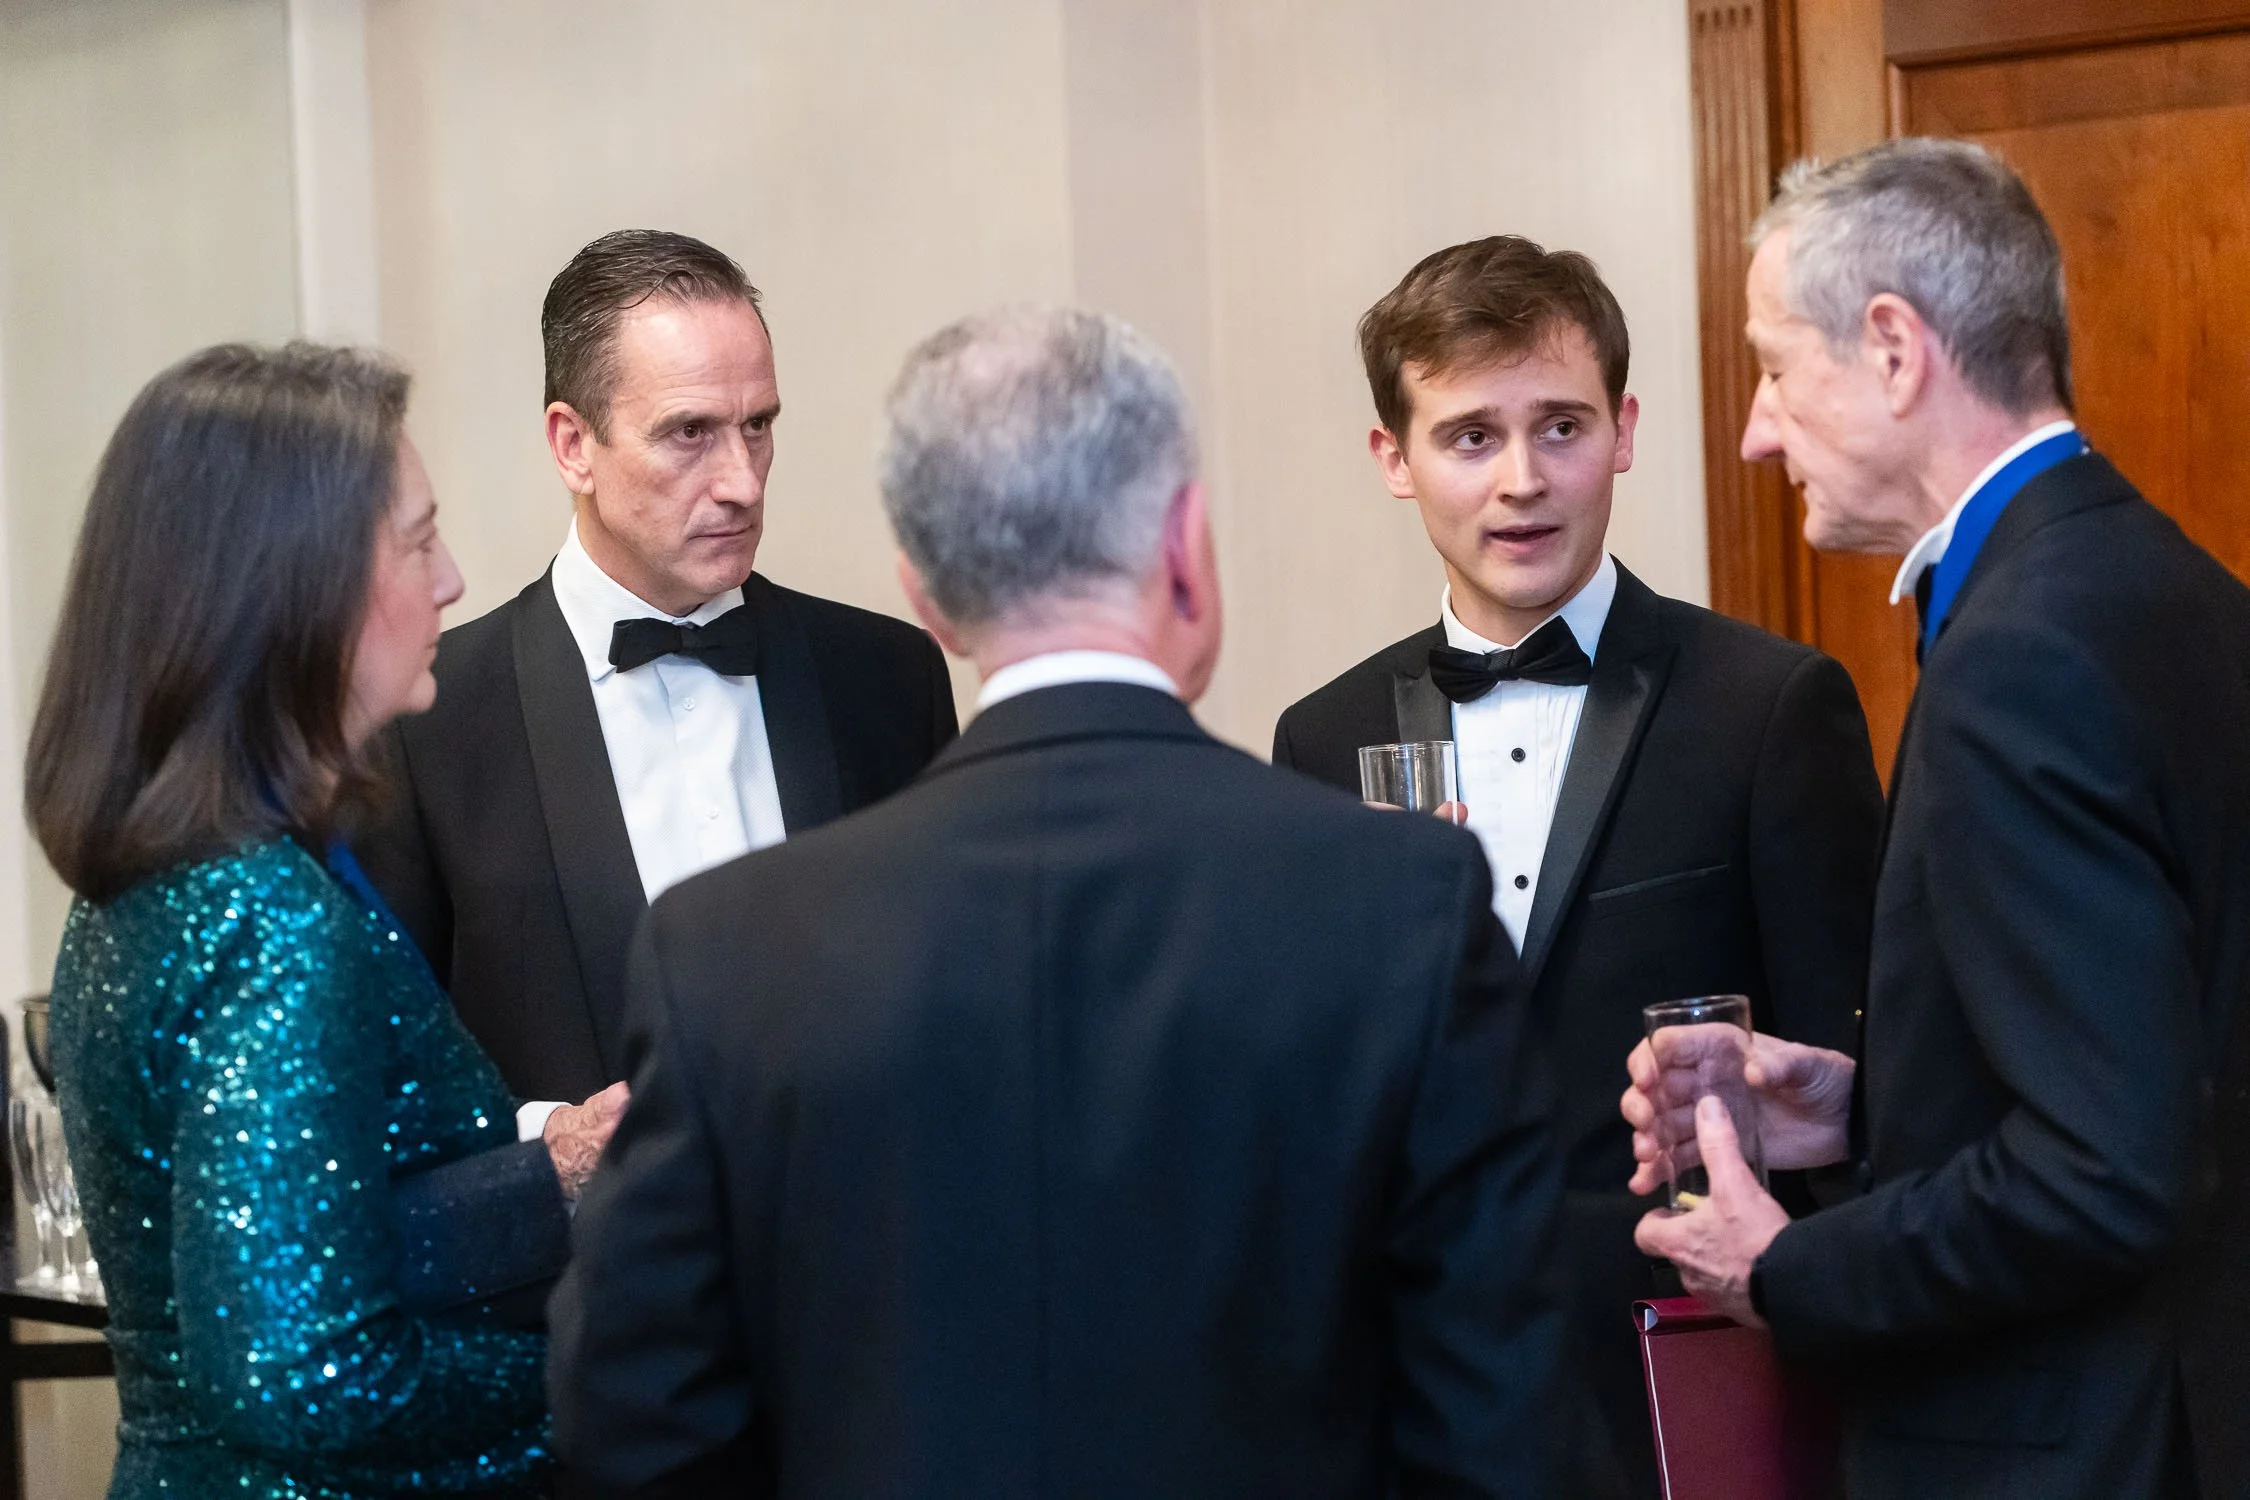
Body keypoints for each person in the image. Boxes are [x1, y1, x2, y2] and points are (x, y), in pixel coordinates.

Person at [549, 305, 1568, 1496]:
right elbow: (1505, 1420)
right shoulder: (1405, 903)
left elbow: (636, 1416)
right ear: (1186, 543)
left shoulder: (726, 950)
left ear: (926, 596)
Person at [1625, 138, 2250, 1499]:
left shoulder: (2018, 652)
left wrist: (1786, 1265)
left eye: (1775, 367)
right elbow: (2157, 1055)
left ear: (1895, 350)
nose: (1757, 429)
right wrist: (1864, 1109)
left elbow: (2108, 1172)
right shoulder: (2170, 585)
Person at [1271, 235, 1883, 1496]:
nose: (1523, 482)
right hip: (1420, 1391)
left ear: (1624, 431)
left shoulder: (1769, 706)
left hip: (1693, 1363)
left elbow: (1863, 1090)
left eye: (1560, 427)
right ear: (1394, 458)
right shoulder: (1321, 738)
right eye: (1470, 437)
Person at [26, 343, 592, 1497]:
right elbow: (305, 1371)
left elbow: (307, 1242)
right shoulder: (273, 925)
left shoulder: (161, 875)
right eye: (419, 541)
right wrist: (599, 1374)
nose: (453, 580)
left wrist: (555, 1172)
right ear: (300, 590)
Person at [355, 230, 958, 1150]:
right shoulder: (425, 721)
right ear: (573, 446)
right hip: (579, 1245)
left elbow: (950, 1007)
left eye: (758, 426)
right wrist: (548, 1142)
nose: (742, 482)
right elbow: (378, 1089)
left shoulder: (887, 678)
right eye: (690, 433)